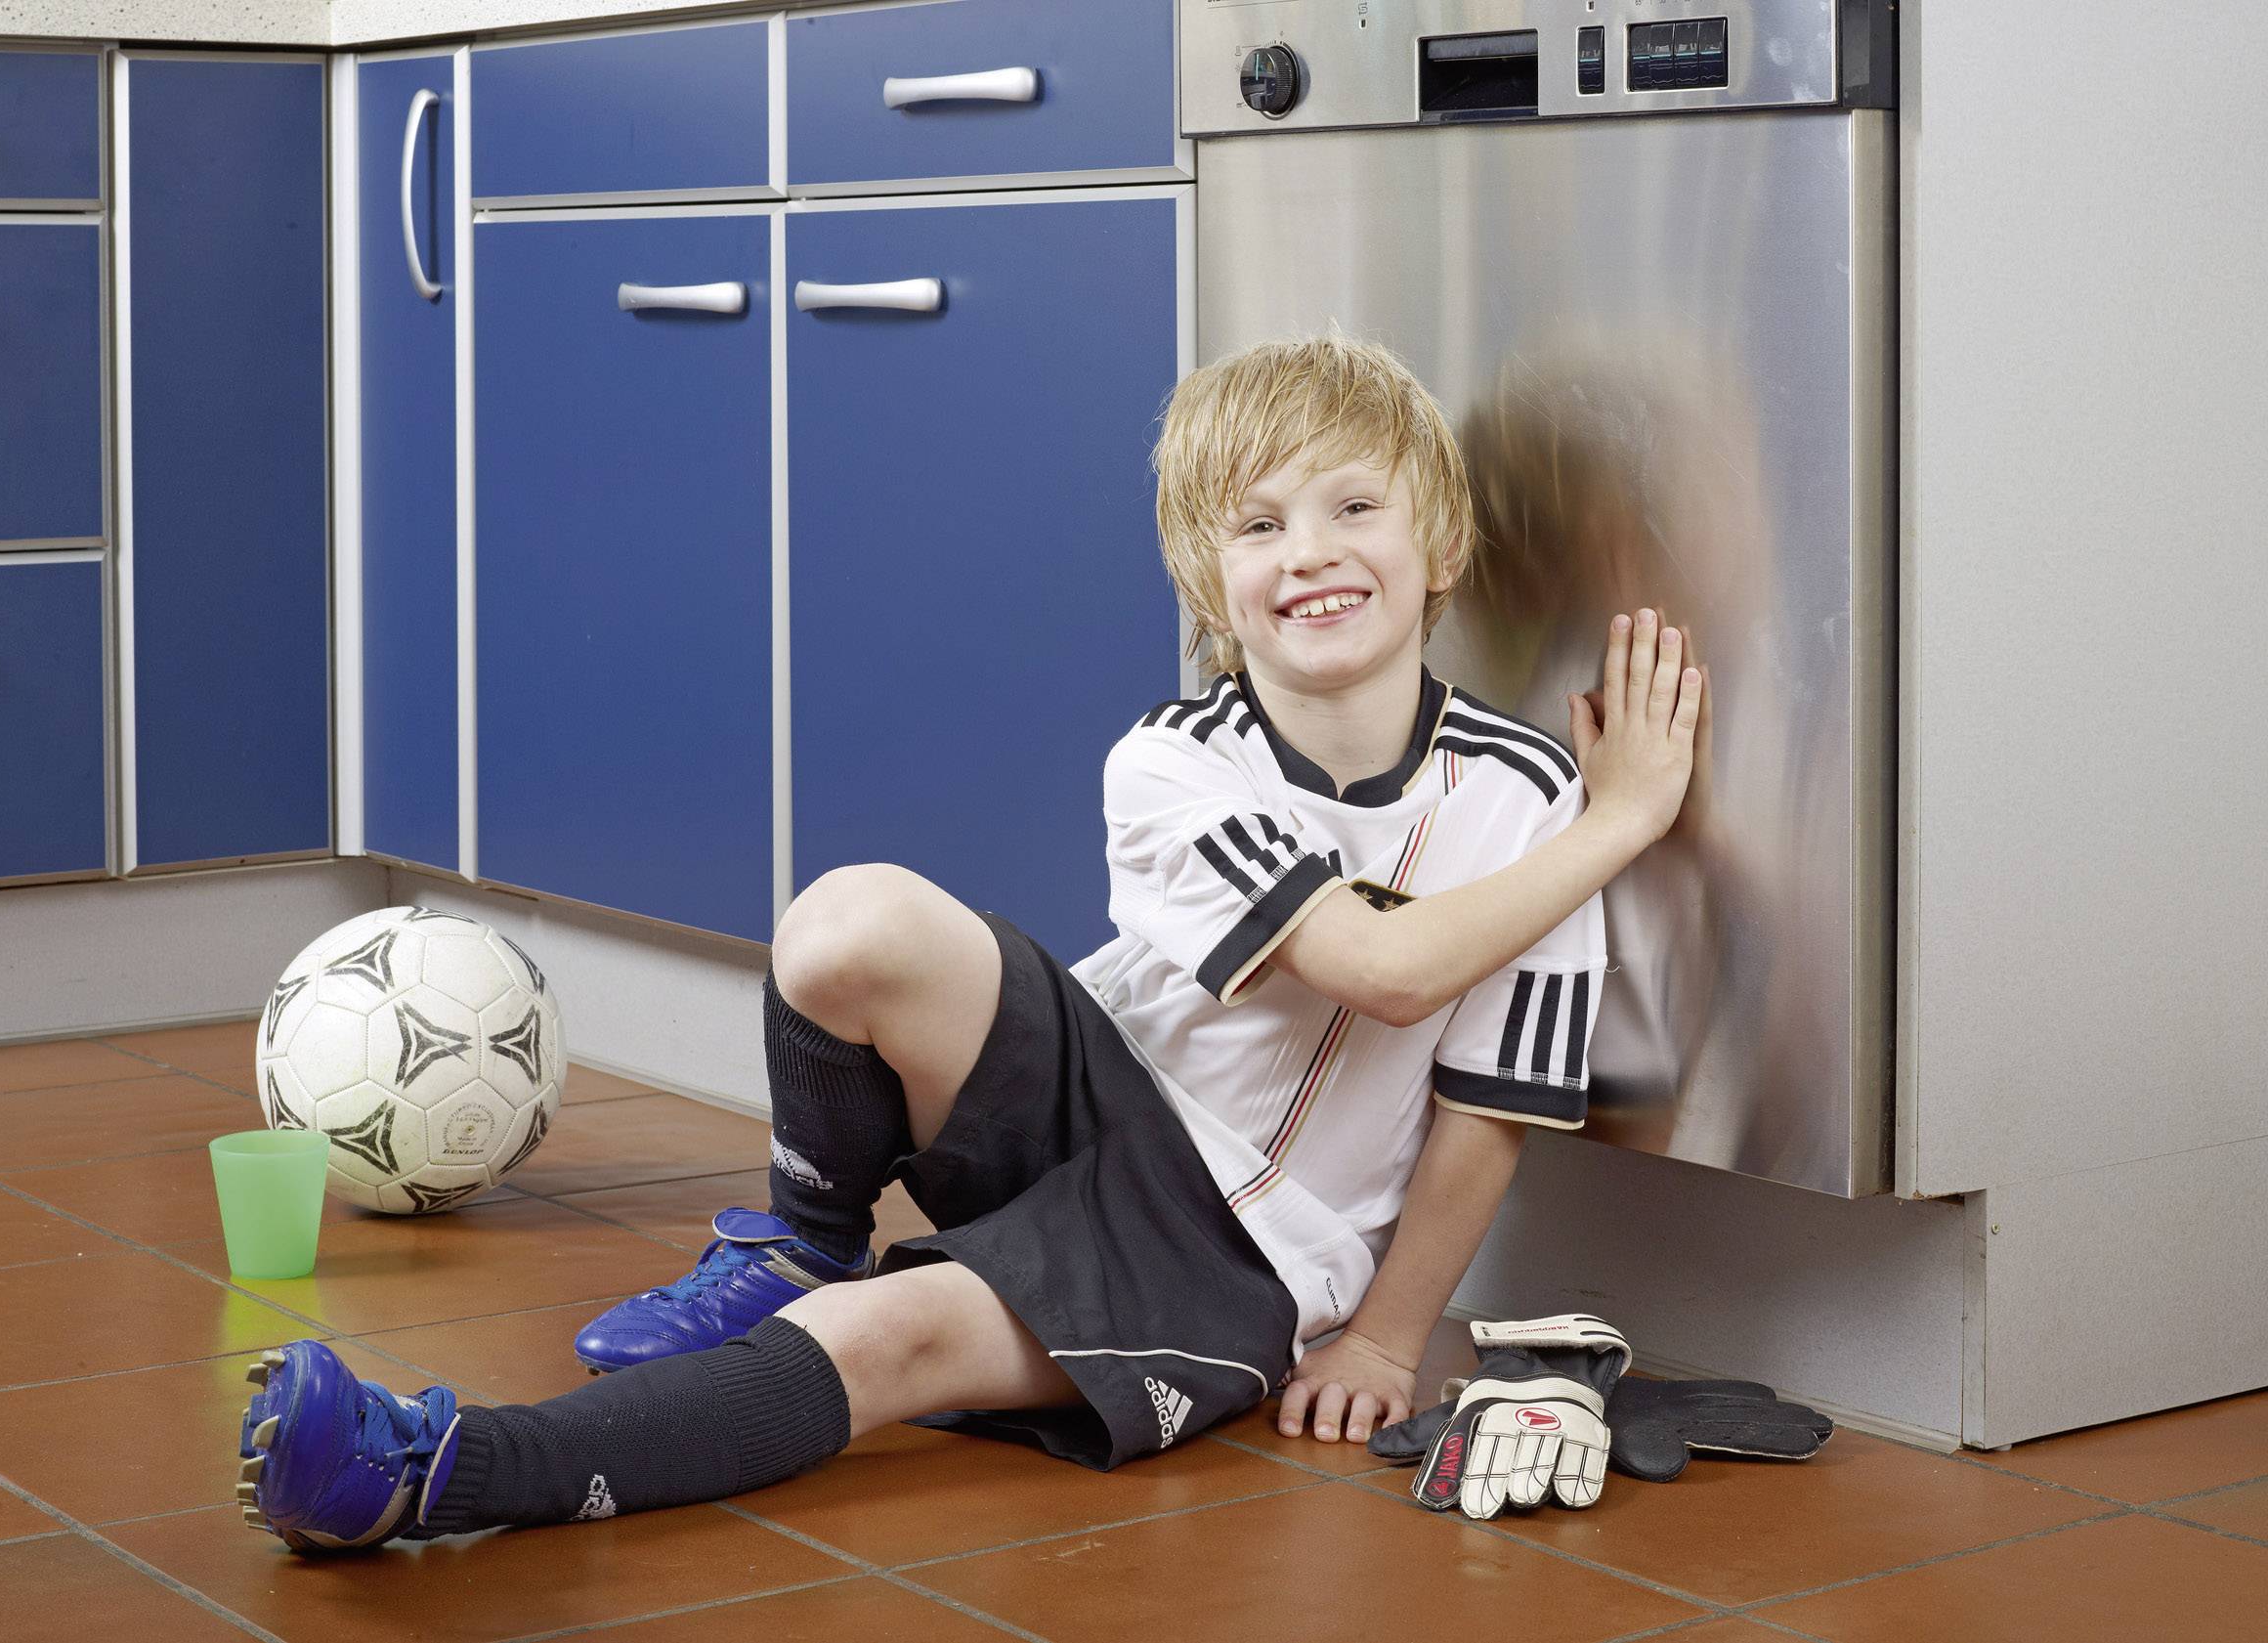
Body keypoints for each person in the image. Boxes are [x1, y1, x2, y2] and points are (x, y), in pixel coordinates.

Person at [230, 333, 1704, 1552]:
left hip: (1234, 1253)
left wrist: (1386, 1335)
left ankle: (432, 1468)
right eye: (1256, 525)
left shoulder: (1525, 803)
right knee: (845, 922)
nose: (1306, 554)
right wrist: (1625, 823)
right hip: (1099, 1098)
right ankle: (797, 1242)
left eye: (1351, 508)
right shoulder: (1176, 761)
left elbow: (1482, 1111)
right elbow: (1380, 966)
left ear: (1440, 539)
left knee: (890, 1344)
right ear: (1208, 579)